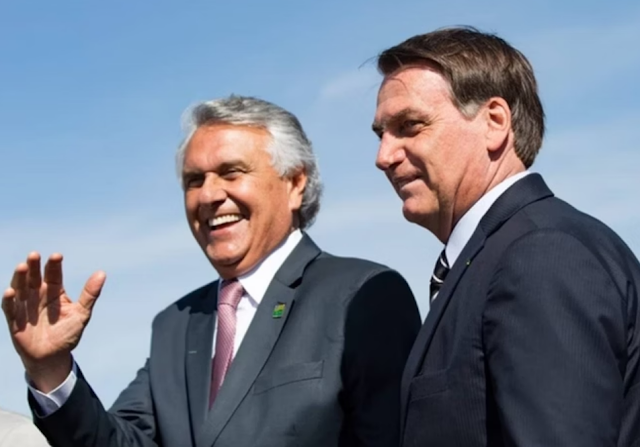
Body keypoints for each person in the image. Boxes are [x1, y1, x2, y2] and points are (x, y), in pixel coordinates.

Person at [2, 95, 421, 447]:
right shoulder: (176, 324)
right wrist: (50, 368)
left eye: (231, 172)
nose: (208, 195)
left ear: (295, 183)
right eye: (193, 180)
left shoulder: (363, 295)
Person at [372, 26, 640, 446]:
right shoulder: (502, 254)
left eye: (410, 125)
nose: (383, 156)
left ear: (494, 122)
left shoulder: (541, 255)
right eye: (381, 134)